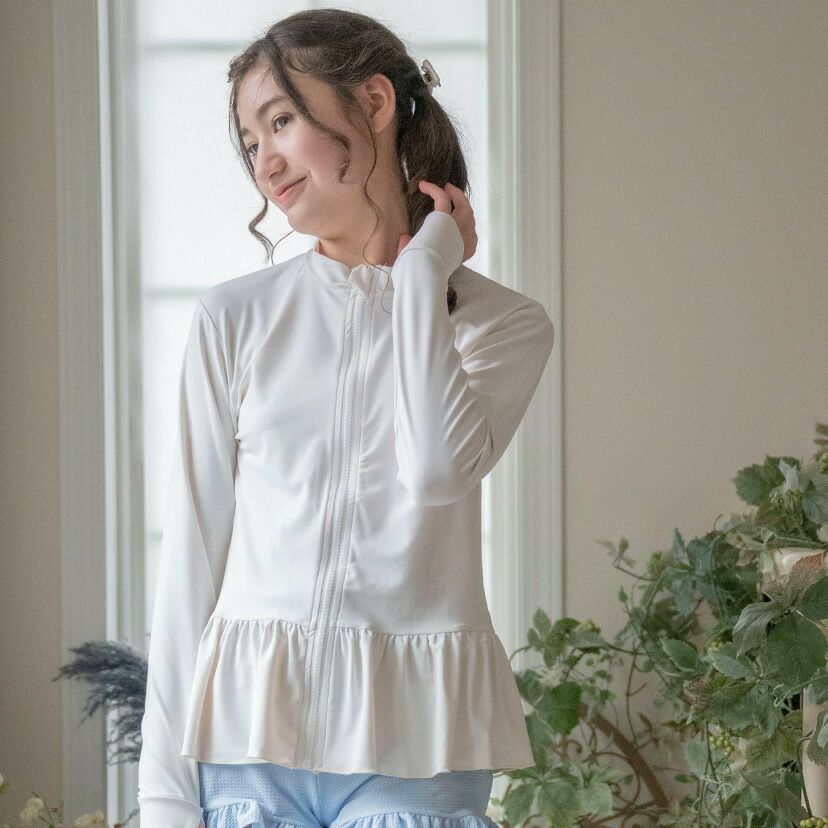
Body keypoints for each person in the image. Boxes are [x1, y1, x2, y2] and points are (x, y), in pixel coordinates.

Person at [136, 8, 555, 828]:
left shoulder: (503, 325)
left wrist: (422, 275)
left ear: (374, 102)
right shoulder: (233, 318)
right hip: (247, 751)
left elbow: (436, 470)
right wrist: (163, 803)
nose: (265, 162)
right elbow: (192, 563)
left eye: (280, 122)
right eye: (250, 142)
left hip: (417, 757)